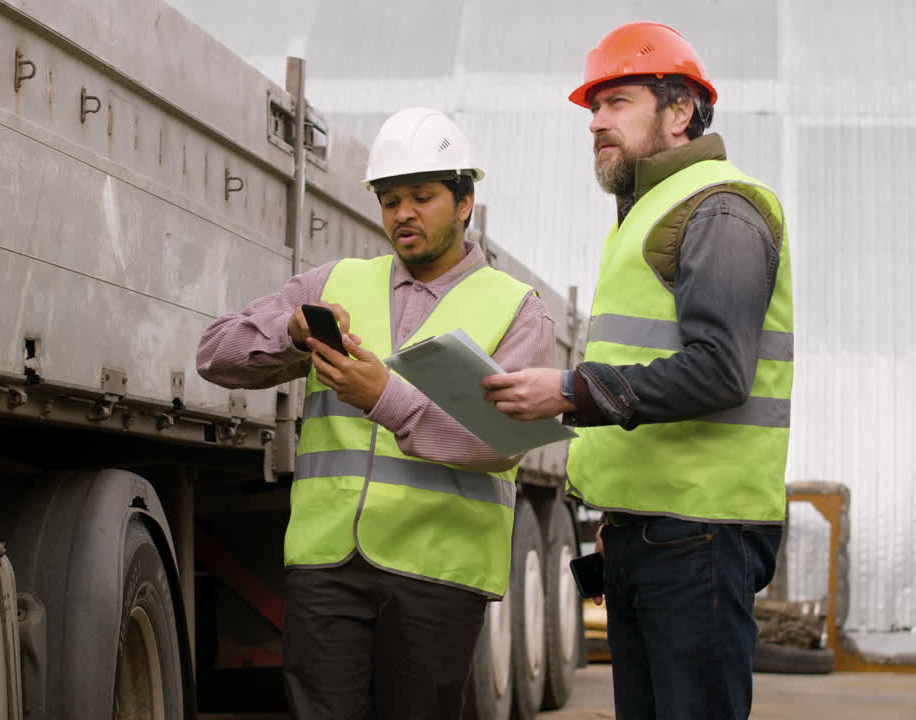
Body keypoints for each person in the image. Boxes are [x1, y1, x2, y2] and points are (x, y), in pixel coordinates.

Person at [196, 107, 555, 719]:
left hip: (437, 573)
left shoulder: (516, 309)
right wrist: (289, 330)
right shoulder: (334, 283)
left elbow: (505, 439)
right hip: (326, 564)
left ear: (465, 202)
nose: (403, 214)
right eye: (390, 200)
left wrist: (383, 396)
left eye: (422, 196)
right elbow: (215, 354)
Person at [482, 21, 794, 720]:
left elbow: (721, 371)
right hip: (651, 532)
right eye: (593, 109)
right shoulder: (644, 214)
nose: (596, 122)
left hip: (699, 536)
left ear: (680, 111)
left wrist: (568, 389)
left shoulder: (719, 208)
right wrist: (616, 513)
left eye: (617, 102)